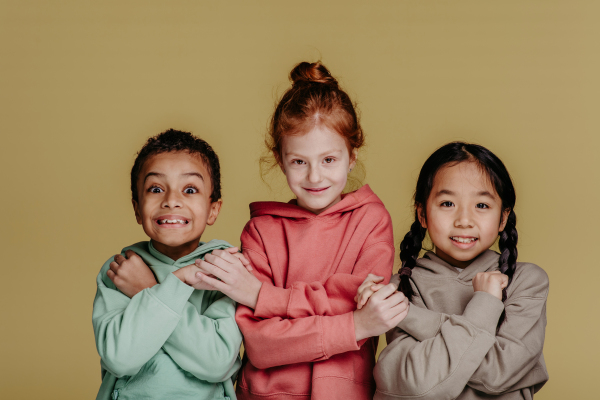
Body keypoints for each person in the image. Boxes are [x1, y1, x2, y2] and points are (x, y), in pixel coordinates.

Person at [193, 62, 409, 400]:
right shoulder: (261, 231)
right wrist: (353, 324)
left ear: (351, 157)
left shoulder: (372, 220)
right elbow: (262, 345)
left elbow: (370, 315)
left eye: (328, 160)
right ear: (280, 160)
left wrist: (261, 296)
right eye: (299, 162)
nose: (314, 177)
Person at [356, 142, 549, 400]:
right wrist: (486, 307)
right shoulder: (402, 286)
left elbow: (498, 374)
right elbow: (415, 383)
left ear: (503, 218)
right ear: (422, 213)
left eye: (482, 205)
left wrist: (409, 315)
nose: (464, 220)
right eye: (447, 203)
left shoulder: (525, 281)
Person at [92, 129, 244, 400]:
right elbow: (119, 358)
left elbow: (216, 361)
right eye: (156, 189)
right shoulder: (120, 269)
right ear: (137, 208)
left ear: (213, 209)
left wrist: (146, 290)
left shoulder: (224, 269)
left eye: (189, 189)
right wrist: (179, 283)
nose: (171, 200)